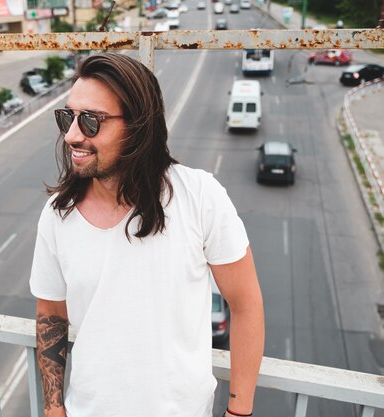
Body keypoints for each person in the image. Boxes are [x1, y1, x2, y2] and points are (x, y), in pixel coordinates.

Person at [30, 53, 265, 417]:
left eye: (91, 121)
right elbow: (51, 314)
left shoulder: (199, 196)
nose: (72, 135)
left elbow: (246, 304)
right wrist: (53, 407)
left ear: (138, 126)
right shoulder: (57, 216)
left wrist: (240, 411)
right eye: (67, 117)